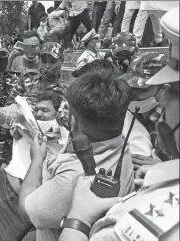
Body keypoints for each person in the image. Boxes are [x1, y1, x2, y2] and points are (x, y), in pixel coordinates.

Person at [74, 7, 179, 241]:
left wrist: (167, 168)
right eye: (131, 91)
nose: (134, 98)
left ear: (164, 90)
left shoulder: (168, 125)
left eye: (142, 91)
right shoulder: (132, 120)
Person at [18, 71, 135, 241]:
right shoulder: (120, 141)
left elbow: (26, 211)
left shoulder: (74, 177)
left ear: (72, 121)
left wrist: (37, 159)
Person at [120, 52, 173, 163]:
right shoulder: (122, 112)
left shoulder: (174, 119)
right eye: (129, 86)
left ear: (164, 90)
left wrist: (163, 168)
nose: (132, 94)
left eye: (140, 89)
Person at [9, 42, 66, 109]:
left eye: (53, 62)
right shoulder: (27, 77)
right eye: (44, 61)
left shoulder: (65, 90)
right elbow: (10, 103)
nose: (47, 66)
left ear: (62, 61)